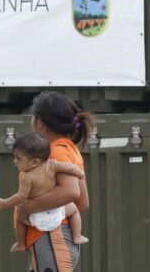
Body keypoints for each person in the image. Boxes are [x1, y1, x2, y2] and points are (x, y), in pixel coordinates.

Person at [14, 91, 95, 271]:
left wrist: (26, 208)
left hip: (51, 238)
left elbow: (71, 192)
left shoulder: (56, 152)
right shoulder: (68, 149)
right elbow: (82, 203)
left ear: (40, 122)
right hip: (49, 238)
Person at [0, 132, 88, 253]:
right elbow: (69, 167)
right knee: (74, 210)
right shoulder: (53, 165)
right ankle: (77, 235)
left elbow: (21, 196)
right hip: (57, 213)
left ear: (35, 162)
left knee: (20, 216)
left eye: (18, 158)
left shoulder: (27, 177)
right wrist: (80, 173)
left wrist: (4, 203)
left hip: (37, 218)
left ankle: (20, 243)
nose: (15, 161)